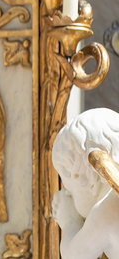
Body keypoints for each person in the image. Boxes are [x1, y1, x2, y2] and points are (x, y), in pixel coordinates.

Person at [52, 108, 119, 259]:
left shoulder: (107, 212)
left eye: (70, 189)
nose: (67, 194)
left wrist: (69, 221)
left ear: (91, 181)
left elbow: (73, 256)